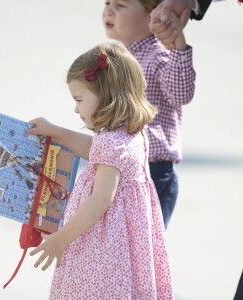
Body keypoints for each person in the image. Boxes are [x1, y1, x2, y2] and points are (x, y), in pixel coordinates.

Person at [28, 43, 174, 299]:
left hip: (102, 248)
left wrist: (62, 238)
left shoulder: (111, 142)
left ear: (106, 96)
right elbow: (94, 149)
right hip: (125, 248)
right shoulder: (129, 133)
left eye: (79, 99)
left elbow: (101, 199)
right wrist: (56, 131)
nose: (75, 108)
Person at [103, 0, 196, 228]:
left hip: (151, 168)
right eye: (107, 2)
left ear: (151, 15)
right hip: (125, 166)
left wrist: (177, 47)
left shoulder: (159, 54)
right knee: (121, 246)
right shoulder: (121, 59)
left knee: (142, 246)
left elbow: (181, 93)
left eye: (121, 5)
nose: (109, 9)